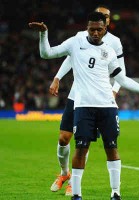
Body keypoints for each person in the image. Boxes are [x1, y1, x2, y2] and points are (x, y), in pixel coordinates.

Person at [29, 12, 139, 200]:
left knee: (111, 147)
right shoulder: (75, 43)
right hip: (83, 106)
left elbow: (122, 79)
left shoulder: (109, 51)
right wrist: (44, 34)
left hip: (107, 106)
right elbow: (46, 54)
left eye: (99, 29)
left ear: (105, 30)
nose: (95, 32)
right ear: (87, 27)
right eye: (92, 29)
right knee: (81, 147)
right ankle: (76, 194)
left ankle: (115, 193)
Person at [30, 5, 126, 196]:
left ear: (108, 22)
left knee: (85, 142)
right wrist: (58, 77)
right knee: (63, 138)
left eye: (106, 17)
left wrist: (114, 91)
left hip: (101, 99)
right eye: (100, 16)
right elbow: (71, 57)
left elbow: (121, 72)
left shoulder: (114, 43)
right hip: (78, 96)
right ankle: (64, 173)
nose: (103, 19)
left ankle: (75, 183)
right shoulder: (81, 36)